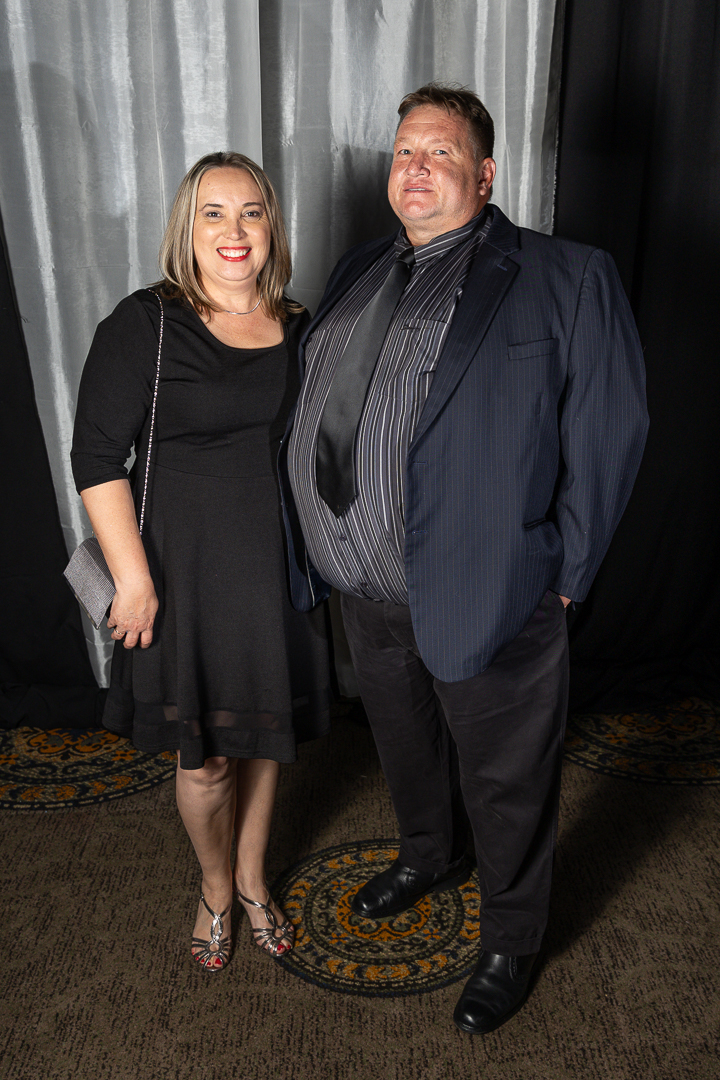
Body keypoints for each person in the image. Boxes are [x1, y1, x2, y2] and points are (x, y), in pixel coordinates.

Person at [279, 84, 648, 1031]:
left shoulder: (567, 276)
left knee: (506, 779)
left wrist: (563, 579)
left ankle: (512, 938)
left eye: (439, 152)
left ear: (484, 174)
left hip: (494, 591)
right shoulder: (363, 266)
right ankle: (428, 852)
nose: (416, 167)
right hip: (363, 587)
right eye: (405, 151)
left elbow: (609, 434)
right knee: (404, 743)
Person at [71, 151, 330, 972]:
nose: (233, 230)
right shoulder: (147, 324)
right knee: (208, 758)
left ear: (271, 226)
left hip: (272, 569)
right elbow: (96, 457)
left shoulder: (301, 325)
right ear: (188, 228)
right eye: (213, 213)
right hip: (179, 576)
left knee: (263, 737)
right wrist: (134, 579)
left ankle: (253, 879)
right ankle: (215, 886)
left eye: (250, 211)